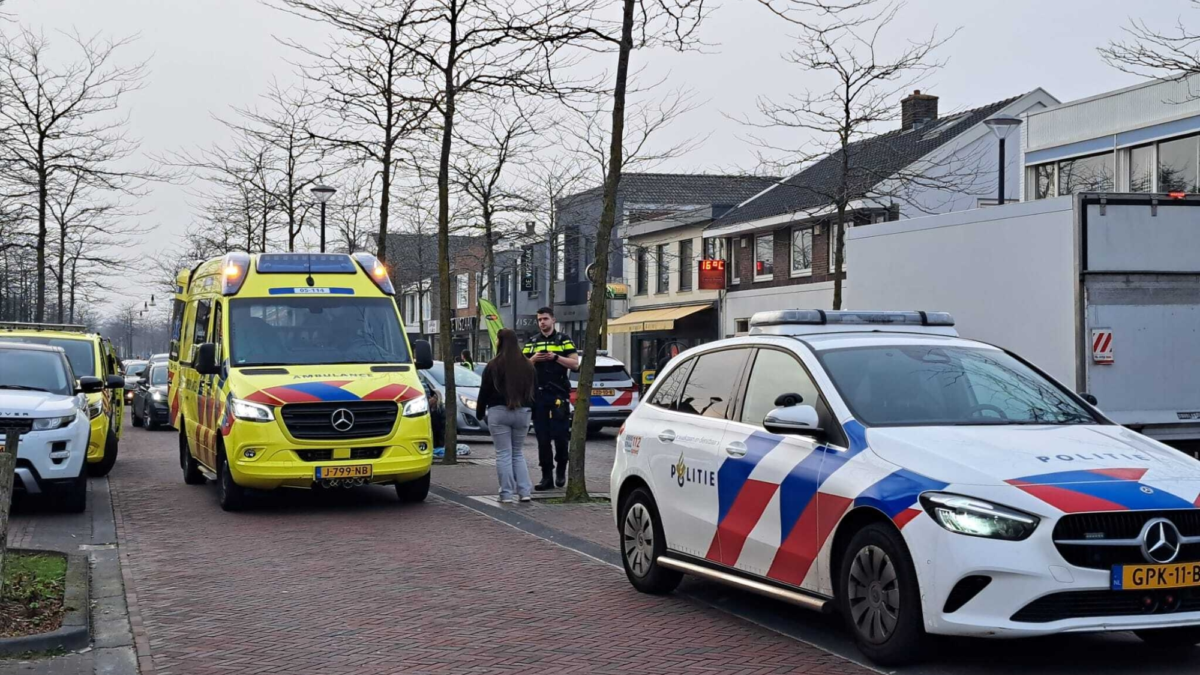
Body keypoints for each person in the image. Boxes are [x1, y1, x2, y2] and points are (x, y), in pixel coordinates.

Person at [522, 307, 579, 490]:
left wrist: (555, 357)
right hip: (538, 395)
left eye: (545, 319)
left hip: (558, 394)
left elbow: (575, 364)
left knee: (561, 435)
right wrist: (534, 360)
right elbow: (521, 367)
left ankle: (561, 467)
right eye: (539, 320)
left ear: (553, 320)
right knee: (542, 438)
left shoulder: (564, 340)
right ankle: (546, 476)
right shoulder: (532, 343)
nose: (542, 323)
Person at [477, 329, 535, 504]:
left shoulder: (493, 365)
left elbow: (484, 392)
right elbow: (534, 392)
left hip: (499, 412)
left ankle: (507, 494)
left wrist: (480, 412)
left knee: (503, 454)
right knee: (517, 453)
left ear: (500, 342)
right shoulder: (527, 365)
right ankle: (525, 492)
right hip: (522, 413)